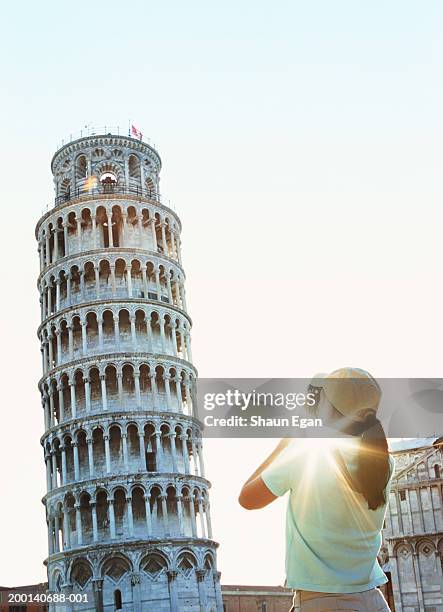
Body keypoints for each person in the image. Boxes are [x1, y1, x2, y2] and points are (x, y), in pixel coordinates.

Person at [238, 367, 394, 612]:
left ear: (329, 409)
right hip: (372, 601)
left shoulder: (305, 454)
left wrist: (286, 443)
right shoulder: (384, 462)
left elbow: (247, 498)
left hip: (321, 602)